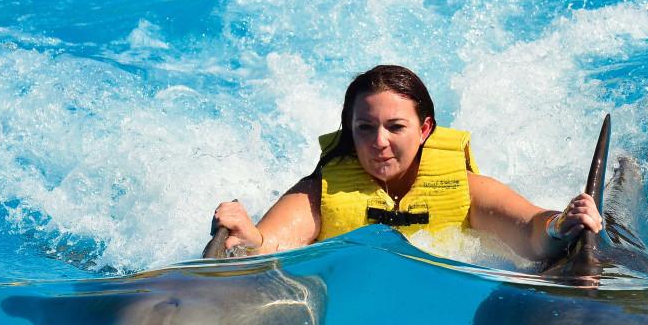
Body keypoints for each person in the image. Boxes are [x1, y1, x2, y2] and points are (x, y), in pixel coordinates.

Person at [209, 65, 602, 261]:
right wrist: (248, 236)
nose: (379, 142)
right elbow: (271, 245)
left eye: (395, 126)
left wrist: (560, 224)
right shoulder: (323, 191)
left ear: (425, 128)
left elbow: (531, 232)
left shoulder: (462, 188)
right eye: (365, 127)